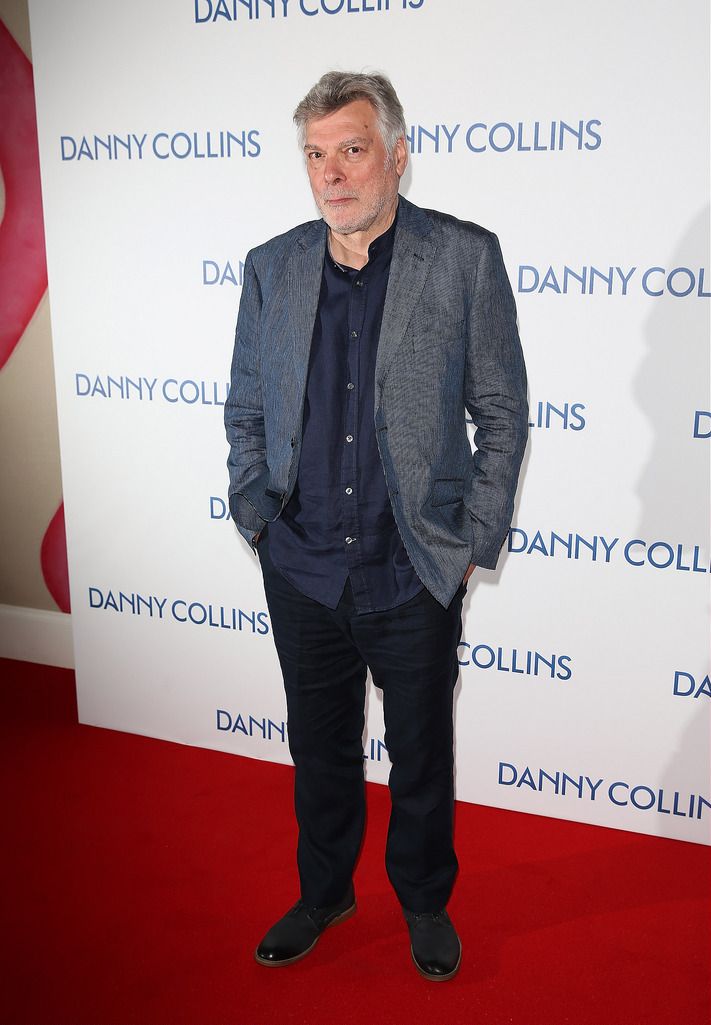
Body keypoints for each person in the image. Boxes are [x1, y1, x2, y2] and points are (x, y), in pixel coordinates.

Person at [224, 70, 528, 981]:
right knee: (317, 749)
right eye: (315, 155)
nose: (332, 174)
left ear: (397, 154)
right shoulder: (271, 266)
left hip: (410, 568)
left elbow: (501, 410)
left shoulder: (463, 257)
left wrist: (469, 541)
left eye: (352, 150)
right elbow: (246, 406)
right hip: (303, 563)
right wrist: (255, 513)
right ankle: (325, 892)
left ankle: (424, 901)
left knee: (421, 756)